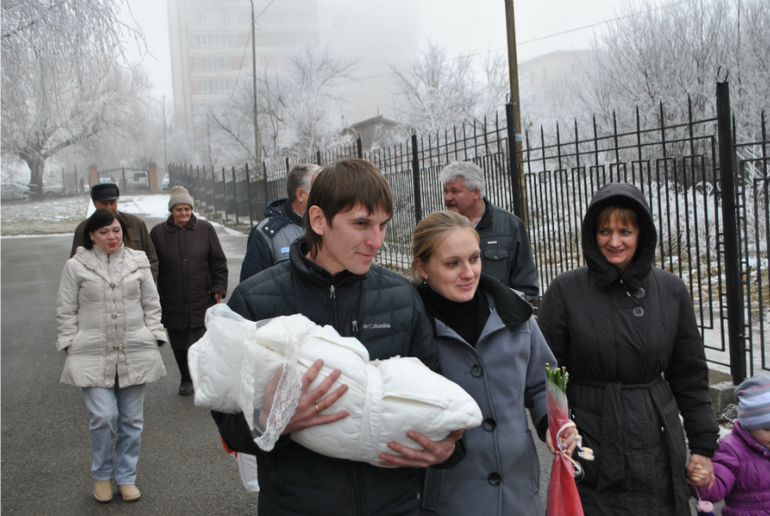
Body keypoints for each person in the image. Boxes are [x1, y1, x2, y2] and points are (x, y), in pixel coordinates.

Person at [212, 158, 463, 516]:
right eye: (361, 224)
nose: (376, 241)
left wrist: (449, 449)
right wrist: (269, 420)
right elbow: (229, 426)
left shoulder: (401, 297)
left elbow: (437, 398)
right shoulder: (256, 301)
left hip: (397, 506)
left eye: (382, 225)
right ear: (318, 220)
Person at [537, 182, 720, 515]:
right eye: (604, 231)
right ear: (592, 234)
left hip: (657, 434)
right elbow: (545, 372)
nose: (614, 241)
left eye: (625, 231)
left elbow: (690, 375)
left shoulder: (670, 290)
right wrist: (553, 425)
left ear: (642, 234)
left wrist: (703, 446)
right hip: (591, 436)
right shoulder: (565, 290)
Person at [409, 210, 571, 515]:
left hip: (519, 499)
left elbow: (545, 383)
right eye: (452, 263)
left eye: (474, 258)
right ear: (423, 267)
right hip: (448, 500)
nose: (468, 273)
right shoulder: (410, 327)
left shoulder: (514, 312)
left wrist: (554, 424)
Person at [56, 209, 167, 503]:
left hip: (135, 349)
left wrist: (153, 334)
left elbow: (151, 304)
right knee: (104, 417)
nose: (112, 236)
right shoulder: (76, 266)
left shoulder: (138, 261)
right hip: (91, 353)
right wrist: (70, 343)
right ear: (92, 235)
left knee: (132, 420)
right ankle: (102, 475)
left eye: (116, 230)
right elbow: (66, 309)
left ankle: (127, 477)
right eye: (104, 232)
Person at [150, 186, 228, 396]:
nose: (183, 213)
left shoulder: (205, 229)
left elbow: (218, 261)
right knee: (178, 339)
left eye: (187, 209)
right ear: (172, 211)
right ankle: (186, 378)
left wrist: (219, 287)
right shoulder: (158, 233)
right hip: (172, 294)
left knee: (202, 338)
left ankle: (203, 377)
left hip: (201, 294)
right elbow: (152, 264)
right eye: (179, 210)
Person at [439, 161, 539, 302]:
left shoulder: (510, 226)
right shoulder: (439, 229)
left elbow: (526, 286)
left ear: (476, 192)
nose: (447, 197)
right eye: (446, 191)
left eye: (455, 191)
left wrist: (505, 312)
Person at [689, 374, 770, 515]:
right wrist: (703, 481)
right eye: (767, 429)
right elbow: (715, 489)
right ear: (750, 425)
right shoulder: (731, 450)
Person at [239, 163, 321, 282]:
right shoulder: (266, 234)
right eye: (319, 190)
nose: (326, 195)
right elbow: (251, 286)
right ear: (300, 194)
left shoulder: (332, 226)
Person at [71, 183, 158, 281]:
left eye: (112, 203)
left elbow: (152, 258)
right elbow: (76, 264)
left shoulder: (136, 224)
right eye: (104, 203)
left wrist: (146, 284)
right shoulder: (83, 229)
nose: (109, 207)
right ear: (95, 203)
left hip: (133, 288)